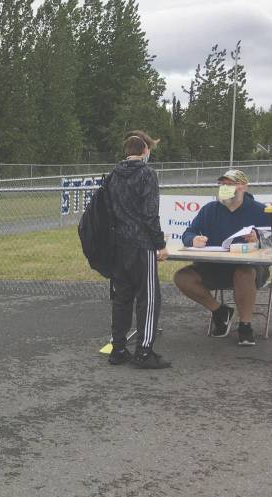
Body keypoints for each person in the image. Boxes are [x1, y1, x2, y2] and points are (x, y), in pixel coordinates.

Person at [173, 170, 271, 346]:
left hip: (250, 268)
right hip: (214, 267)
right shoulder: (209, 210)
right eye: (221, 184)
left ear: (242, 186)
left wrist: (259, 238)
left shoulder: (260, 210)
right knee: (181, 277)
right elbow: (188, 233)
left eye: (229, 184)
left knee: (244, 273)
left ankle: (245, 325)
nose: (224, 188)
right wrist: (194, 240)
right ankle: (220, 311)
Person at [105, 131, 171, 369]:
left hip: (118, 246)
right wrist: (160, 245)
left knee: (122, 298)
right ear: (145, 151)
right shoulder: (147, 174)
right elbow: (150, 213)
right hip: (141, 245)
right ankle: (144, 351)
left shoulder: (113, 174)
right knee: (149, 298)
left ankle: (118, 349)